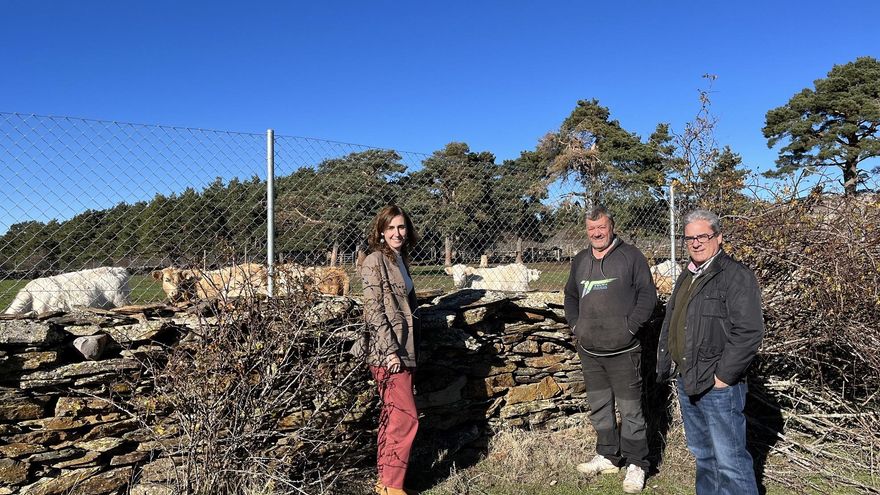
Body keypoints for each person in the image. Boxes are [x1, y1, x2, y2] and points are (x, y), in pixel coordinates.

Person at [656, 209, 764, 494]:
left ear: (719, 237)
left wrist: (723, 377)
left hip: (718, 386)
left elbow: (749, 331)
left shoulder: (735, 276)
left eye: (703, 236)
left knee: (731, 461)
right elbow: (675, 322)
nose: (696, 243)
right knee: (704, 456)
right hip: (688, 379)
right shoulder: (687, 275)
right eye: (690, 238)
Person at [564, 205, 657, 494]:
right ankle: (607, 455)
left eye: (601, 227)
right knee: (600, 407)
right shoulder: (580, 260)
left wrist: (630, 328)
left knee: (630, 409)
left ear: (611, 227)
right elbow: (570, 296)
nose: (596, 233)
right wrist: (577, 327)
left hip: (624, 349)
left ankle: (637, 463)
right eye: (591, 229)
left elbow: (647, 295)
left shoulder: (631, 257)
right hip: (590, 351)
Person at [361, 205, 421, 495]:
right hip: (390, 352)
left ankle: (386, 483)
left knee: (394, 415)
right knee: (405, 417)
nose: (397, 233)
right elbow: (373, 310)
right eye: (391, 228)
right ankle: (391, 486)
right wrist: (390, 351)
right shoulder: (375, 260)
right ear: (381, 232)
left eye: (401, 227)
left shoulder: (400, 259)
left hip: (405, 347)